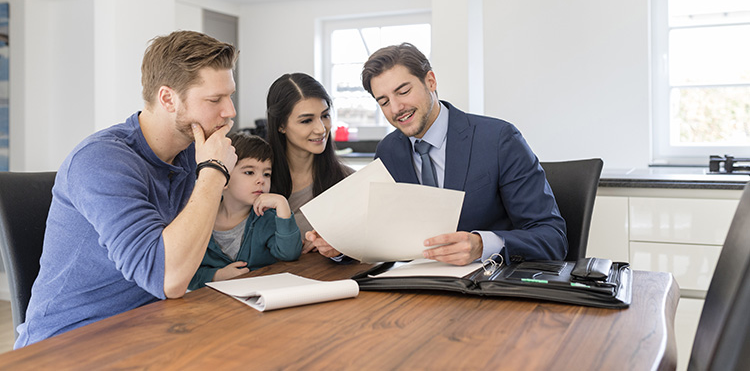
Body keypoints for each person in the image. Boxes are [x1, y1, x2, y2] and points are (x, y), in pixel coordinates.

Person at [15, 30, 239, 348]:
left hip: (147, 326)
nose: (230, 111)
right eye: (215, 100)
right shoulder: (101, 161)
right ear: (167, 98)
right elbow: (168, 278)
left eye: (230, 96)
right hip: (67, 343)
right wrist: (214, 173)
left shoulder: (193, 152)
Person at [360, 43, 567, 266]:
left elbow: (552, 237)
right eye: (384, 101)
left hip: (487, 284)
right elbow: (383, 232)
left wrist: (482, 245)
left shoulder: (498, 139)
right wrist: (340, 246)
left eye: (403, 92)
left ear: (430, 81)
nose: (396, 108)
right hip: (417, 285)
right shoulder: (388, 151)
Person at [188, 133, 302, 290]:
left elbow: (289, 253)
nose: (261, 180)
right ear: (224, 178)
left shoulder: (267, 217)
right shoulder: (198, 219)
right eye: (249, 172)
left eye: (266, 174)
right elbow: (186, 273)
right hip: (212, 304)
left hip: (258, 298)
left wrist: (282, 205)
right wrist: (217, 276)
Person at [265, 73, 353, 257]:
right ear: (281, 125)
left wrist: (339, 249)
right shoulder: (256, 179)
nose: (321, 129)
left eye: (325, 116)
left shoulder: (348, 181)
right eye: (306, 120)